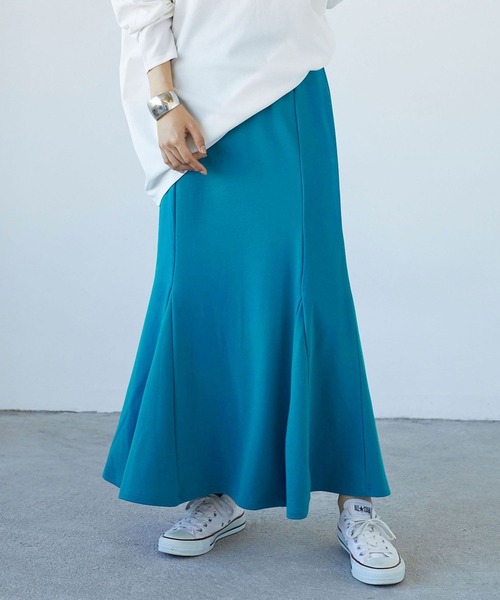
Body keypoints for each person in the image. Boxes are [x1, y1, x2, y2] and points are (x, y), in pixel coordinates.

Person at [102, 0, 405, 586]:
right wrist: (163, 101)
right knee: (198, 296)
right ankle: (215, 488)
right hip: (191, 101)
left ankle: (358, 502)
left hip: (287, 83)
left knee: (314, 293)